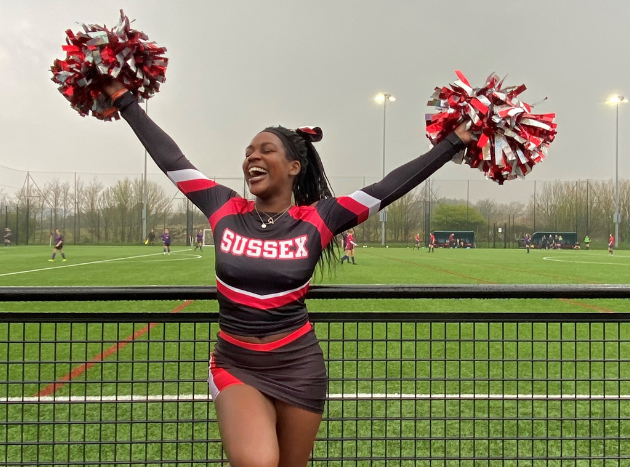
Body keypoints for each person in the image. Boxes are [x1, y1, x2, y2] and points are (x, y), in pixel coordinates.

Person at [99, 78, 471, 467]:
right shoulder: (223, 206)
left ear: (294, 166)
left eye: (265, 150)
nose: (251, 158)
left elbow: (387, 188)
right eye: (248, 152)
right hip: (236, 363)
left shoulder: (320, 219)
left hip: (299, 365)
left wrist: (452, 142)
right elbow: (172, 160)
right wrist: (125, 99)